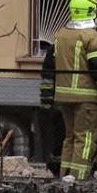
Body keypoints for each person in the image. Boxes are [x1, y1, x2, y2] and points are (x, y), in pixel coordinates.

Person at [49, 0, 97, 182]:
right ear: (92, 11)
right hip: (86, 97)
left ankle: (65, 176)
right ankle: (78, 178)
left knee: (69, 137)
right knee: (85, 139)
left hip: (63, 95)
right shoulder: (91, 36)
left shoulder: (60, 35)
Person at [34, 37, 64, 167]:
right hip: (70, 102)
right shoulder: (86, 42)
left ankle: (57, 166)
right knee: (63, 135)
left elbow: (47, 75)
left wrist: (46, 101)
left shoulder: (57, 46)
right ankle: (59, 166)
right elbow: (48, 76)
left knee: (60, 135)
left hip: (59, 101)